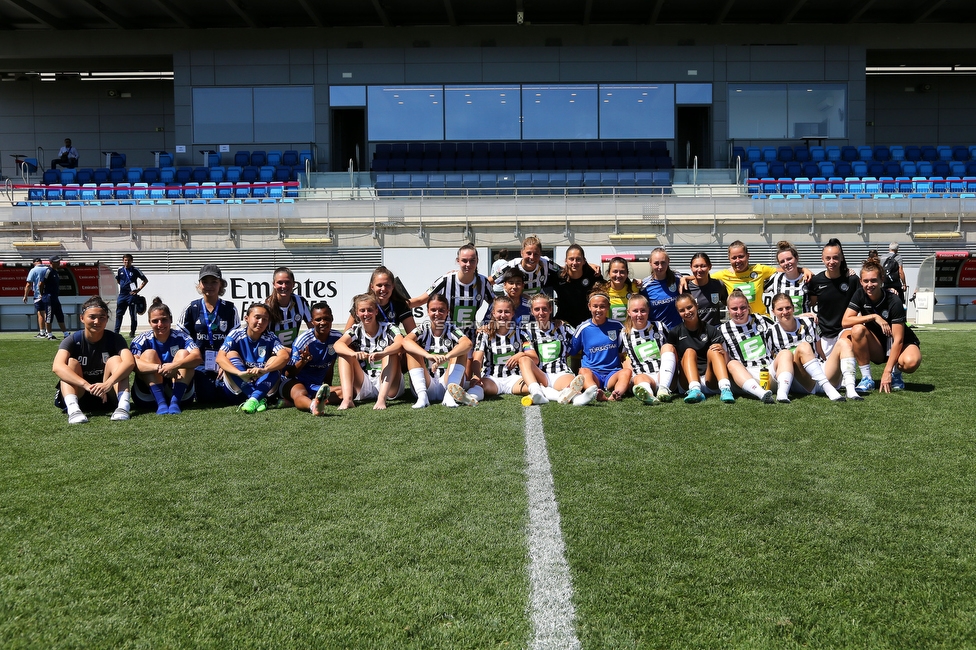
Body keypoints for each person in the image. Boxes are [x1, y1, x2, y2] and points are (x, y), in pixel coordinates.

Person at [843, 259, 922, 393]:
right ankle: (867, 378)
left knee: (911, 362)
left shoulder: (894, 301)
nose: (870, 285)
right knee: (855, 330)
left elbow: (898, 340)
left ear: (882, 280)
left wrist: (887, 371)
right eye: (866, 281)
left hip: (901, 344)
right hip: (878, 344)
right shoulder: (860, 294)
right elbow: (845, 321)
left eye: (874, 280)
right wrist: (873, 317)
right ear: (861, 281)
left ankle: (896, 374)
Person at [52, 296, 134, 424]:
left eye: (102, 317)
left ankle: (123, 407)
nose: (97, 321)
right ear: (82, 318)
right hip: (80, 393)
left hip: (107, 395)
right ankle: (73, 410)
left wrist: (108, 384)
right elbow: (57, 366)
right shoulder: (73, 340)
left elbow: (130, 362)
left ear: (107, 319)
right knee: (71, 363)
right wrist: (86, 385)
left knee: (116, 360)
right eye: (92, 317)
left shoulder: (115, 339)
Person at [447, 296, 532, 405]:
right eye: (499, 311)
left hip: (515, 378)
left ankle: (553, 394)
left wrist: (520, 354)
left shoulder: (521, 332)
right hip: (492, 378)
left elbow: (532, 356)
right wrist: (477, 375)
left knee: (532, 386)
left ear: (512, 313)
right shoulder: (485, 333)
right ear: (493, 313)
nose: (503, 315)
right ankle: (470, 398)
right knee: (480, 386)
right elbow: (477, 358)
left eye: (507, 312)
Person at [765, 293, 848, 402]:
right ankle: (828, 389)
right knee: (800, 347)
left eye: (788, 308)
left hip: (819, 371)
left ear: (793, 308)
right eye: (780, 309)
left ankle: (851, 389)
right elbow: (771, 360)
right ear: (773, 312)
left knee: (844, 342)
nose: (785, 312)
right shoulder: (770, 332)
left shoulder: (810, 322)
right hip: (799, 380)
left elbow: (819, 350)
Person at [179, 264, 241, 405]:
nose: (209, 286)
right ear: (199, 285)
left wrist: (224, 363)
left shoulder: (230, 309)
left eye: (214, 282)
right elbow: (182, 337)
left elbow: (235, 339)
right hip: (200, 363)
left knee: (228, 397)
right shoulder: (191, 308)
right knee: (207, 398)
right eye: (205, 282)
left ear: (221, 284)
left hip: (224, 360)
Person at [130, 297, 202, 415]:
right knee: (149, 353)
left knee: (183, 354)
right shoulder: (142, 339)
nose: (160, 324)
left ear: (171, 320)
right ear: (149, 322)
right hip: (147, 396)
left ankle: (175, 402)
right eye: (155, 321)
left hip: (181, 395)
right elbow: (132, 364)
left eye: (164, 320)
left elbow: (197, 357)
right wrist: (158, 368)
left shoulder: (182, 336)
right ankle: (161, 403)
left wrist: (174, 366)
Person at [807, 238, 861, 393]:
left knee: (849, 337)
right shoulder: (816, 281)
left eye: (836, 257)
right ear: (822, 259)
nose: (832, 261)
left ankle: (850, 383)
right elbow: (810, 304)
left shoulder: (852, 279)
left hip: (844, 330)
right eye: (828, 258)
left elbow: (864, 300)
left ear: (842, 257)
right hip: (824, 333)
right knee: (827, 378)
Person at [407, 243, 494, 340]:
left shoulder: (483, 282)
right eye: (464, 261)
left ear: (477, 261)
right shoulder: (446, 280)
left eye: (472, 261)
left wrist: (486, 323)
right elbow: (420, 300)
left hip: (470, 336)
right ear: (458, 261)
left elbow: (495, 304)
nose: (468, 264)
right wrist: (395, 303)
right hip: (446, 336)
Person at [334, 293, 405, 410]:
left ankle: (381, 399)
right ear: (356, 313)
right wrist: (354, 354)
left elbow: (401, 343)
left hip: (389, 386)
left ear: (376, 311)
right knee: (344, 354)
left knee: (390, 352)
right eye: (362, 310)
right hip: (365, 383)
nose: (366, 314)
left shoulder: (389, 327)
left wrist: (383, 353)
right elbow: (338, 345)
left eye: (370, 310)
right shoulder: (356, 329)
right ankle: (347, 399)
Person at [401, 294, 472, 408]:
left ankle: (449, 396)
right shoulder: (423, 328)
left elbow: (467, 343)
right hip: (426, 383)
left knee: (460, 350)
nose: (437, 314)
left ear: (447, 312)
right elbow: (405, 341)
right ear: (428, 311)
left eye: (441, 310)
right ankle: (422, 397)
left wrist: (447, 356)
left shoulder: (452, 328)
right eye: (433, 310)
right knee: (411, 350)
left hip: (447, 382)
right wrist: (427, 355)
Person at [217, 303, 290, 413]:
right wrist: (239, 373)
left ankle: (253, 399)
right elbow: (219, 357)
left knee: (275, 361)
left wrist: (265, 370)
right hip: (240, 387)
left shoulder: (270, 337)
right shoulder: (236, 334)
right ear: (246, 318)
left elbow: (284, 356)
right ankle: (256, 398)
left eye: (265, 319)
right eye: (257, 317)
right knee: (230, 354)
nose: (261, 322)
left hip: (264, 386)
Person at [666, 293, 734, 404]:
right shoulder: (675, 332)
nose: (687, 312)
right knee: (689, 351)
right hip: (687, 382)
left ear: (696, 306)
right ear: (678, 313)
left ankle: (725, 388)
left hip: (709, 379)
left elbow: (724, 360)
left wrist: (724, 353)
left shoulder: (711, 330)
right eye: (682, 310)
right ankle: (695, 390)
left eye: (689, 307)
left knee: (715, 350)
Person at [712, 240, 811, 317]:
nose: (738, 260)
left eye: (741, 256)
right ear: (729, 258)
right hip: (739, 321)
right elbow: (699, 277)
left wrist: (803, 269)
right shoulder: (722, 275)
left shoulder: (760, 269)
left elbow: (785, 268)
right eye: (734, 258)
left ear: (748, 256)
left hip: (761, 321)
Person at [518, 294, 586, 405]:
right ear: (531, 311)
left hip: (560, 372)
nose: (541, 313)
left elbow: (580, 342)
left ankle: (577, 399)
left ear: (550, 309)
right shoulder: (525, 330)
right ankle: (538, 391)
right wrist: (486, 327)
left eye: (545, 309)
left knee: (572, 388)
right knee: (524, 360)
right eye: (537, 309)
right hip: (539, 374)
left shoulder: (563, 327)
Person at [567, 287, 630, 403]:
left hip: (612, 372)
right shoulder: (583, 328)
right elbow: (572, 351)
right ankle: (595, 392)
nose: (598, 310)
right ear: (589, 307)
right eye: (595, 306)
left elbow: (624, 348)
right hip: (593, 373)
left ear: (608, 307)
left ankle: (616, 394)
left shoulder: (617, 326)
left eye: (602, 306)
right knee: (583, 371)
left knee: (626, 372)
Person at [282, 301, 343, 415]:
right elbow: (288, 374)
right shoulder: (303, 341)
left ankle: (316, 399)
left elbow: (330, 365)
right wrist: (303, 361)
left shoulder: (337, 338)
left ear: (332, 318)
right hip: (295, 382)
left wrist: (327, 386)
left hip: (316, 386)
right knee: (301, 393)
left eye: (326, 318)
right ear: (312, 321)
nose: (323, 322)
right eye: (318, 319)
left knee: (348, 392)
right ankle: (313, 406)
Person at [719, 289, 777, 403]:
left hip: (769, 371)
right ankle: (761, 394)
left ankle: (782, 393)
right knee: (732, 363)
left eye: (743, 307)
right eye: (734, 309)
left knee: (784, 354)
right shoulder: (722, 330)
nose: (739, 312)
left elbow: (783, 327)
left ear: (748, 306)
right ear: (728, 309)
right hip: (745, 377)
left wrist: (802, 317)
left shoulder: (761, 319)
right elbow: (725, 361)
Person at [620, 294, 678, 405]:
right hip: (644, 376)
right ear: (628, 312)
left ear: (648, 311)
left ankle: (663, 388)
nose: (639, 314)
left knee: (668, 346)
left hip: (665, 375)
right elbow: (622, 357)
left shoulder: (659, 327)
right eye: (635, 311)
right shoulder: (624, 334)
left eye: (643, 310)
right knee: (640, 378)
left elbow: (672, 350)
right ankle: (649, 395)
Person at [343, 266, 416, 335]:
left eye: (387, 285)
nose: (383, 289)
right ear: (372, 286)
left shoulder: (400, 304)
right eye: (379, 285)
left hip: (392, 345)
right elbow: (346, 334)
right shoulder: (362, 302)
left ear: (393, 286)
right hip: (366, 345)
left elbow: (413, 334)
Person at [490, 235, 561, 297]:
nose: (532, 257)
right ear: (522, 253)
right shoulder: (510, 266)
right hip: (515, 307)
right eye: (528, 253)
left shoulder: (546, 263)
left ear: (540, 254)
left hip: (536, 307)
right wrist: (492, 300)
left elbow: (564, 272)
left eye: (536, 254)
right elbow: (488, 282)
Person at [553, 245, 603, 328]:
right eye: (571, 259)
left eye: (578, 259)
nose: (574, 263)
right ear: (566, 261)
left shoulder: (593, 274)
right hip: (563, 323)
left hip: (587, 324)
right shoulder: (558, 277)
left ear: (584, 261)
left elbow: (608, 287)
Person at [265, 266, 312, 347]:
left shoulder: (301, 301)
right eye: (280, 282)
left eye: (287, 282)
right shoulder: (265, 305)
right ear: (274, 284)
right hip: (271, 350)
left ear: (293, 284)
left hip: (293, 349)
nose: (284, 286)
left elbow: (312, 328)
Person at [762, 241, 812, 316]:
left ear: (796, 258)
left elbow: (813, 302)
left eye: (789, 259)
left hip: (804, 325)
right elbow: (758, 289)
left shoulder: (807, 278)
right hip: (782, 326)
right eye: (782, 261)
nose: (786, 263)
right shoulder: (775, 279)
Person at [639, 247, 683, 329]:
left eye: (663, 263)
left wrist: (686, 278)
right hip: (657, 333)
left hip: (678, 331)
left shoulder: (677, 279)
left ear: (668, 262)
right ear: (650, 262)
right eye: (656, 263)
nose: (660, 267)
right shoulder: (644, 286)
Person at [686, 252, 728, 327]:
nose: (699, 269)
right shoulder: (685, 288)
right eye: (696, 266)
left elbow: (728, 302)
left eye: (703, 266)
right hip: (694, 333)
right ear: (691, 267)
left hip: (715, 331)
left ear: (710, 266)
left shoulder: (718, 285)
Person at [114, 254, 148, 338]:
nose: (127, 262)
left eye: (128, 260)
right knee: (119, 314)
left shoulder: (135, 270)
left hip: (132, 295)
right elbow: (118, 280)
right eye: (125, 260)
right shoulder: (119, 269)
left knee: (133, 314)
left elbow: (145, 280)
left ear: (131, 261)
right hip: (122, 295)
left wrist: (138, 289)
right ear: (123, 261)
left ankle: (132, 332)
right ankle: (116, 332)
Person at [604, 256, 641, 322]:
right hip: (609, 331)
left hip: (628, 331)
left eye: (622, 272)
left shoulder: (635, 288)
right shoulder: (602, 290)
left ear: (627, 274)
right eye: (615, 271)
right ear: (609, 273)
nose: (618, 275)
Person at [42, 256, 69, 340]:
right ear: (51, 262)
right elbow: (41, 283)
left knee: (60, 315)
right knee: (49, 316)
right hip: (49, 297)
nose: (58, 263)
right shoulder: (48, 271)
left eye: (59, 261)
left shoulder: (56, 272)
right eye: (56, 262)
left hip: (55, 297)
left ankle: (65, 334)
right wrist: (41, 293)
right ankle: (49, 334)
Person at [23, 257, 48, 338]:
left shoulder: (33, 270)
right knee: (48, 313)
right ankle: (49, 331)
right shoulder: (48, 269)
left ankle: (42, 332)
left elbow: (28, 284)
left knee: (40, 313)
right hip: (49, 294)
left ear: (34, 263)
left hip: (38, 295)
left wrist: (25, 296)